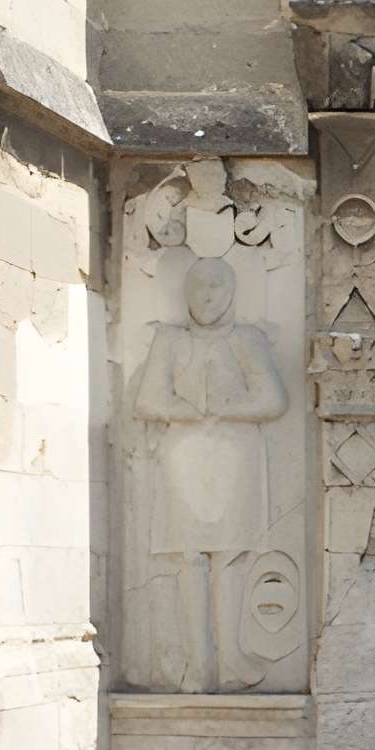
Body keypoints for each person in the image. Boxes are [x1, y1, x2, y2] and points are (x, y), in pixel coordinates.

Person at [132, 258, 288, 692]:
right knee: (189, 556)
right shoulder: (169, 340)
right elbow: (148, 399)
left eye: (217, 287)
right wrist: (185, 411)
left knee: (232, 553)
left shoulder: (247, 340)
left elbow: (273, 399)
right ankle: (198, 666)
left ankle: (231, 659)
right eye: (198, 287)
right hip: (184, 454)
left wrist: (223, 410)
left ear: (231, 292)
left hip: (234, 455)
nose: (207, 296)